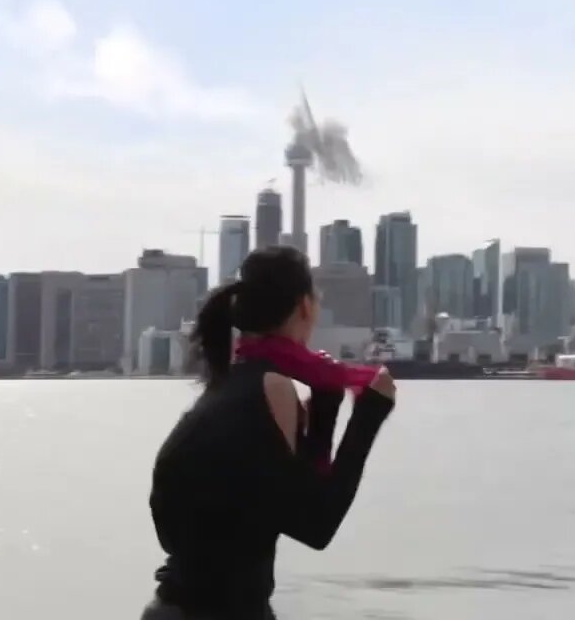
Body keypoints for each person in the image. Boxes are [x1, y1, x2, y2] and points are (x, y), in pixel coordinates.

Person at [142, 246, 396, 620]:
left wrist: (326, 407)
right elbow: (317, 524)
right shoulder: (272, 388)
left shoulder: (226, 387)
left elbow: (295, 501)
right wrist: (370, 413)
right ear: (305, 307)